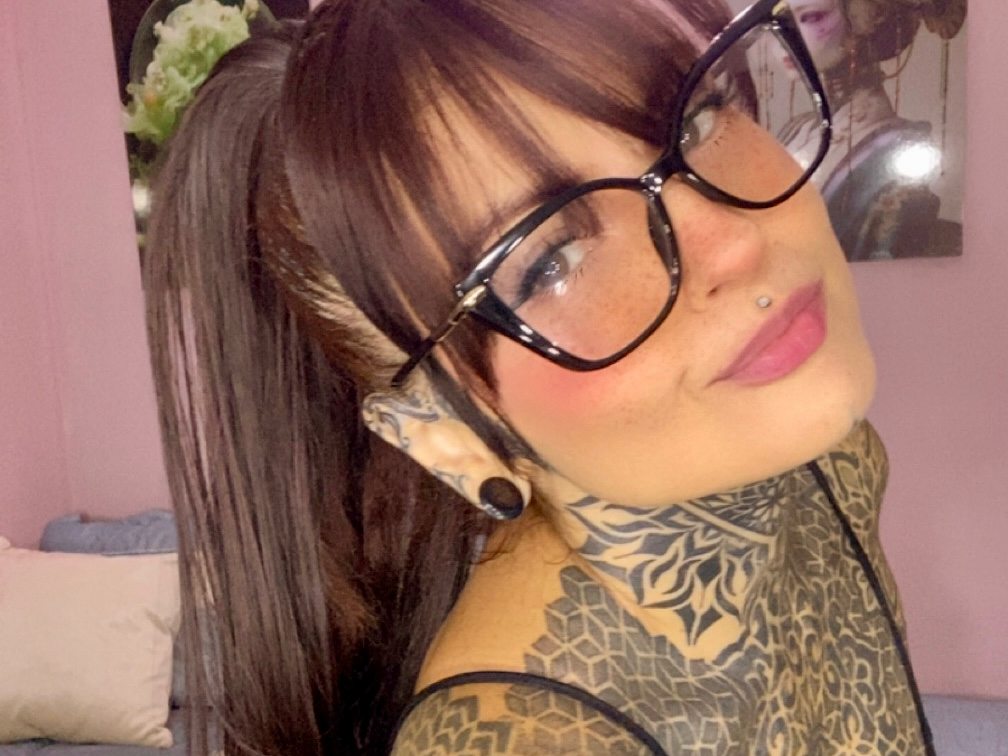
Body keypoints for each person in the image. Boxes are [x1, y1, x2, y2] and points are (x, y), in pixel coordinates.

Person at [143, 0, 935, 753]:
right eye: (550, 261)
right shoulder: (522, 740)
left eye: (695, 118)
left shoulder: (834, 471)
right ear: (443, 436)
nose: (730, 240)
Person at [773, 0, 966, 260]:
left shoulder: (890, 149)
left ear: (864, 19)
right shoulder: (796, 130)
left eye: (811, 17)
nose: (784, 36)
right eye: (778, 19)